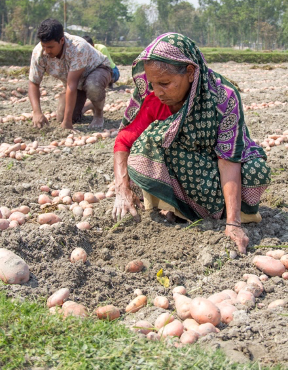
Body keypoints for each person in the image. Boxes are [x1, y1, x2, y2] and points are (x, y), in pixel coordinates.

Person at [112, 33, 271, 254]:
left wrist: (233, 224)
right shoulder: (152, 97)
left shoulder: (223, 97)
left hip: (219, 171)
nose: (157, 92)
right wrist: (122, 190)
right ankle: (175, 206)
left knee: (257, 171)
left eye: (165, 83)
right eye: (153, 83)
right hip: (188, 169)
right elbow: (123, 142)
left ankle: (230, 213)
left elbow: (228, 159)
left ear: (190, 72)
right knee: (145, 146)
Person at [28, 18, 112, 130]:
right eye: (44, 46)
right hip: (76, 83)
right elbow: (33, 83)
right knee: (62, 116)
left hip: (97, 70)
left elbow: (71, 85)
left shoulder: (77, 47)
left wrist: (67, 123)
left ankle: (98, 113)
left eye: (51, 47)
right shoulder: (39, 53)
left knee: (92, 85)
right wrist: (37, 112)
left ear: (62, 40)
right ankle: (90, 104)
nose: (47, 51)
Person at [81, 35, 120, 115]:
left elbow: (106, 65)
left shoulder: (101, 48)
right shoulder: (81, 51)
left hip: (111, 70)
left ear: (93, 45)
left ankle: (108, 83)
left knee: (97, 78)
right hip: (93, 71)